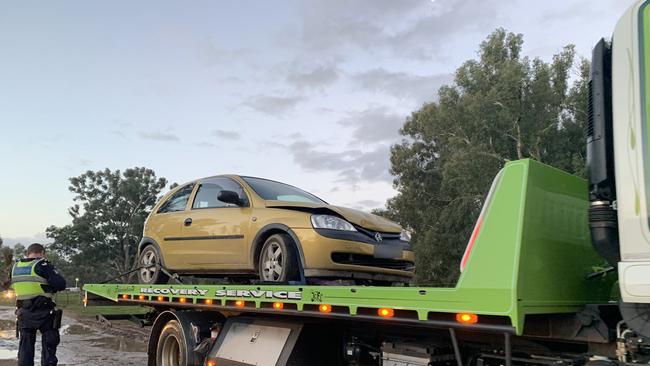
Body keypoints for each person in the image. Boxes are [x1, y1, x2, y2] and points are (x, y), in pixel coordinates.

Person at [10, 243, 66, 366]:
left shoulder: (15, 267)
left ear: (27, 253)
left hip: (24, 312)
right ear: (42, 253)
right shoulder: (42, 265)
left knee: (25, 348)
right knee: (49, 345)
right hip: (44, 311)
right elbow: (61, 284)